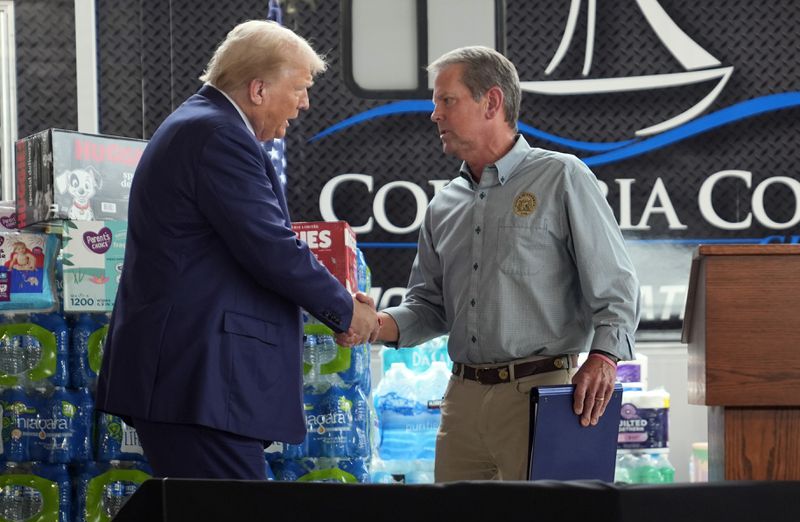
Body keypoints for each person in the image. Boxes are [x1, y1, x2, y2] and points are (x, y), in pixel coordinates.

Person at [95, 20, 378, 480]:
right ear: (259, 89)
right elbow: (270, 248)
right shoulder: (216, 135)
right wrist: (346, 310)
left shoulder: (202, 125)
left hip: (194, 385)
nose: (305, 102)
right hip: (198, 385)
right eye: (301, 87)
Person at [373, 46, 641, 482]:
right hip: (460, 402)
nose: (434, 114)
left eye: (447, 100)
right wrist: (372, 323)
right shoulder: (443, 204)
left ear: (492, 102)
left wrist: (605, 357)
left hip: (543, 397)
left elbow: (616, 285)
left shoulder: (561, 176)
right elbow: (429, 307)